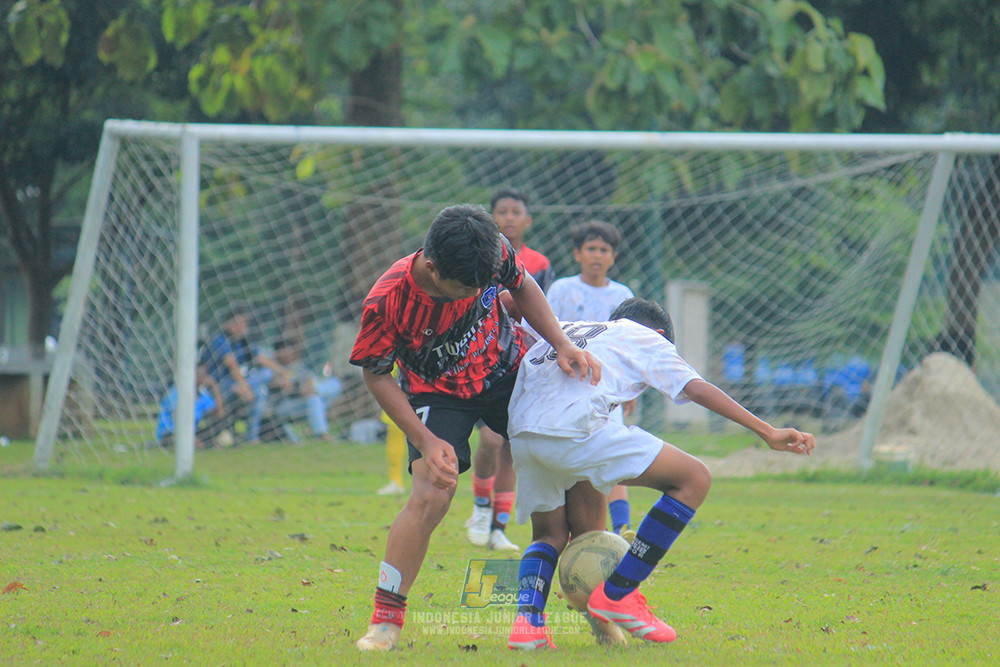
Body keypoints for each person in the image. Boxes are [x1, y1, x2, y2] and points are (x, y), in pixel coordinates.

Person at [348, 203, 600, 652]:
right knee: (432, 492)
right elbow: (377, 374)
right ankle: (385, 621)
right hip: (436, 392)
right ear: (431, 267)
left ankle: (601, 605)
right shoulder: (387, 301)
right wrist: (425, 440)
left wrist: (560, 342)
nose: (475, 294)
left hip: (505, 370)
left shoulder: (491, 249)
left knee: (574, 465)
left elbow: (523, 285)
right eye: (465, 289)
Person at [505, 298, 815, 650]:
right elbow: (696, 388)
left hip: (523, 433)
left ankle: (527, 626)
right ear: (660, 333)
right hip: (574, 429)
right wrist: (767, 431)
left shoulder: (569, 328)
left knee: (549, 534)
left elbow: (511, 301)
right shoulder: (647, 336)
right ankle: (619, 594)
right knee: (694, 478)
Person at [468, 187, 555, 552]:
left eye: (515, 212)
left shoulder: (539, 263)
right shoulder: (479, 256)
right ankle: (480, 509)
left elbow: (537, 309)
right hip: (481, 357)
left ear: (527, 220)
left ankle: (499, 526)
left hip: (519, 357)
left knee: (510, 444)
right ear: (492, 218)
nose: (508, 217)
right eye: (501, 211)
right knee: (490, 439)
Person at [545, 219, 636, 537]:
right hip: (568, 384)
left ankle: (622, 528)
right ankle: (572, 528)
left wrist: (629, 389)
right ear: (577, 254)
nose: (597, 255)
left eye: (604, 250)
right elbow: (546, 332)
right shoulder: (562, 290)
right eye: (591, 248)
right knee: (572, 459)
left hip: (607, 388)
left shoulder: (622, 294)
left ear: (613, 257)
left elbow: (627, 345)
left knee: (613, 452)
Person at [199, 303, 287, 444]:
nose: (242, 327)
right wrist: (244, 386)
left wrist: (283, 372)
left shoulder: (242, 342)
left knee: (260, 392)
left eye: (244, 323)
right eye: (238, 323)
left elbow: (259, 358)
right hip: (219, 386)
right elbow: (231, 364)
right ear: (228, 324)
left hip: (238, 383)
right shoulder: (220, 340)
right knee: (265, 376)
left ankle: (251, 438)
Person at [262, 337, 341, 443]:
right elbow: (282, 388)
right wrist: (299, 390)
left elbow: (309, 380)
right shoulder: (272, 369)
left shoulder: (299, 367)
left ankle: (317, 390)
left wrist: (309, 387)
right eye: (283, 351)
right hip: (282, 406)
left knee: (334, 383)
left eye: (289, 351)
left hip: (307, 401)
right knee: (313, 398)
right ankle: (321, 434)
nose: (286, 354)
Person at [154, 363, 225, 449]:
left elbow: (220, 414)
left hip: (192, 432)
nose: (201, 379)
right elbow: (178, 419)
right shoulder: (177, 393)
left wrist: (214, 387)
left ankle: (210, 442)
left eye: (203, 376)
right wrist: (192, 439)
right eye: (198, 376)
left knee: (218, 426)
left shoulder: (202, 394)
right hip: (171, 432)